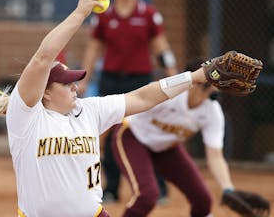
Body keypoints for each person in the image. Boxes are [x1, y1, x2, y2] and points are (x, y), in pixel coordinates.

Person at [0, 0, 209, 217]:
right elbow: (42, 58)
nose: (75, 88)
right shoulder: (27, 118)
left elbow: (143, 97)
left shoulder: (89, 110)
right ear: (45, 92)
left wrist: (196, 77)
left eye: (74, 82)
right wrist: (80, 13)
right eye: (66, 84)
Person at [110, 66, 265, 216]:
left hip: (166, 148)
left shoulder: (212, 111)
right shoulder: (170, 96)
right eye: (212, 83)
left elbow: (215, 156)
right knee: (147, 196)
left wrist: (227, 188)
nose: (216, 88)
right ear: (196, 83)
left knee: (202, 201)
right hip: (132, 136)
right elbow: (127, 106)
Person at [79, 0, 177, 202]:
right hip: (112, 80)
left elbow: (161, 46)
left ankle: (158, 188)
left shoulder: (149, 14)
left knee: (147, 132)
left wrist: (171, 71)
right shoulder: (104, 16)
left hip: (141, 81)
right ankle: (112, 188)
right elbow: (94, 49)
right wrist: (85, 77)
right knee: (113, 134)